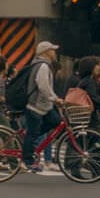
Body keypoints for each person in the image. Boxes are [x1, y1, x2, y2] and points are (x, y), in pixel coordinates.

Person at [21, 42, 63, 171]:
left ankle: (30, 142)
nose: (54, 52)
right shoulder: (43, 66)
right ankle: (28, 161)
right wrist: (55, 99)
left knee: (56, 120)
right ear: (45, 52)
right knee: (32, 133)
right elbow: (43, 86)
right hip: (36, 106)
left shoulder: (41, 64)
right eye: (52, 50)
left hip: (44, 106)